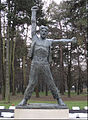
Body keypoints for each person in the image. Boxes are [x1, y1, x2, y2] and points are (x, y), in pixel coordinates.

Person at [18, 6, 76, 106]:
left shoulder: (49, 42)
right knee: (32, 83)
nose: (44, 32)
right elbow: (33, 24)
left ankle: (58, 99)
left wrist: (70, 40)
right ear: (39, 32)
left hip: (45, 64)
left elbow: (60, 41)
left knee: (51, 82)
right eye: (42, 31)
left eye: (45, 31)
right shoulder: (35, 38)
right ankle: (25, 100)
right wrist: (33, 12)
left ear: (47, 33)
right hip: (35, 63)